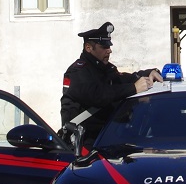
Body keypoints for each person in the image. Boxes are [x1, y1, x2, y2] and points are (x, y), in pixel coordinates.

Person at [59, 21, 161, 151]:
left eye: (109, 46)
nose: (109, 50)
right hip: (83, 145)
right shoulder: (77, 71)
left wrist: (148, 73)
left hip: (106, 140)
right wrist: (133, 88)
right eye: (104, 47)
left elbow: (123, 79)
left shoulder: (105, 68)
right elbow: (98, 95)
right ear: (88, 48)